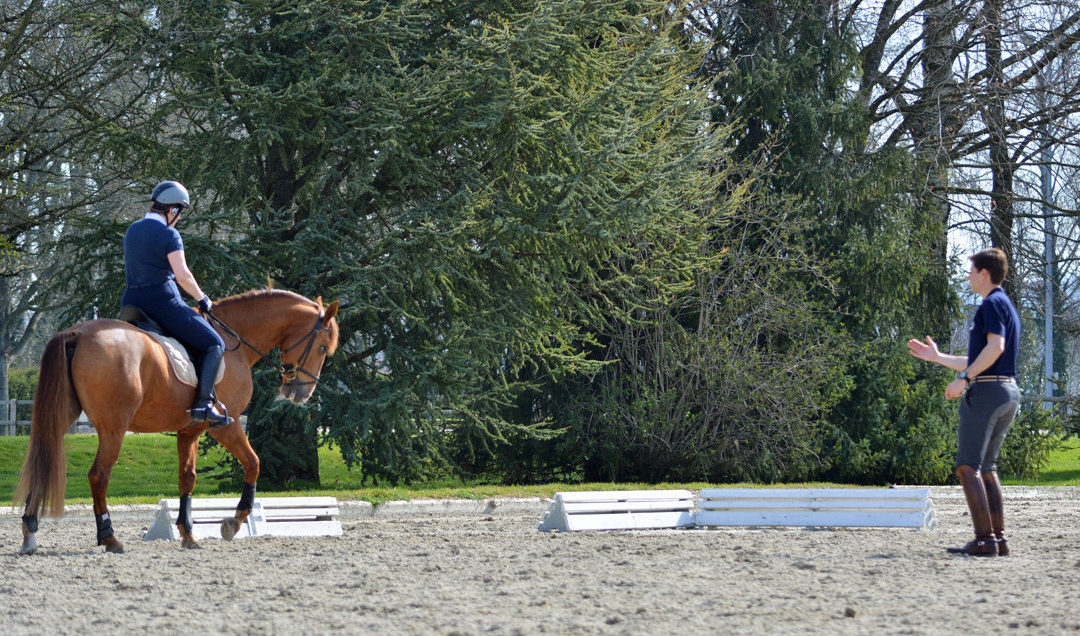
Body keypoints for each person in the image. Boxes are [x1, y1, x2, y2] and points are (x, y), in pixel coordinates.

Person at [907, 248, 1020, 556]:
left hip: (987, 392)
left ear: (984, 273)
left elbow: (995, 348)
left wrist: (965, 379)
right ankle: (998, 539)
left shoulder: (990, 304)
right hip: (1008, 391)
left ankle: (984, 540)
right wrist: (939, 358)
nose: (968, 276)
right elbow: (984, 357)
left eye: (971, 271)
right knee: (986, 466)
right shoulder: (1005, 304)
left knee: (966, 467)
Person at [121, 180, 230, 428]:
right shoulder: (169, 234)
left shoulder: (132, 230)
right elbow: (182, 276)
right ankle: (203, 404)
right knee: (215, 343)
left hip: (131, 303)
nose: (178, 219)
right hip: (163, 303)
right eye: (179, 214)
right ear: (173, 210)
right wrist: (202, 298)